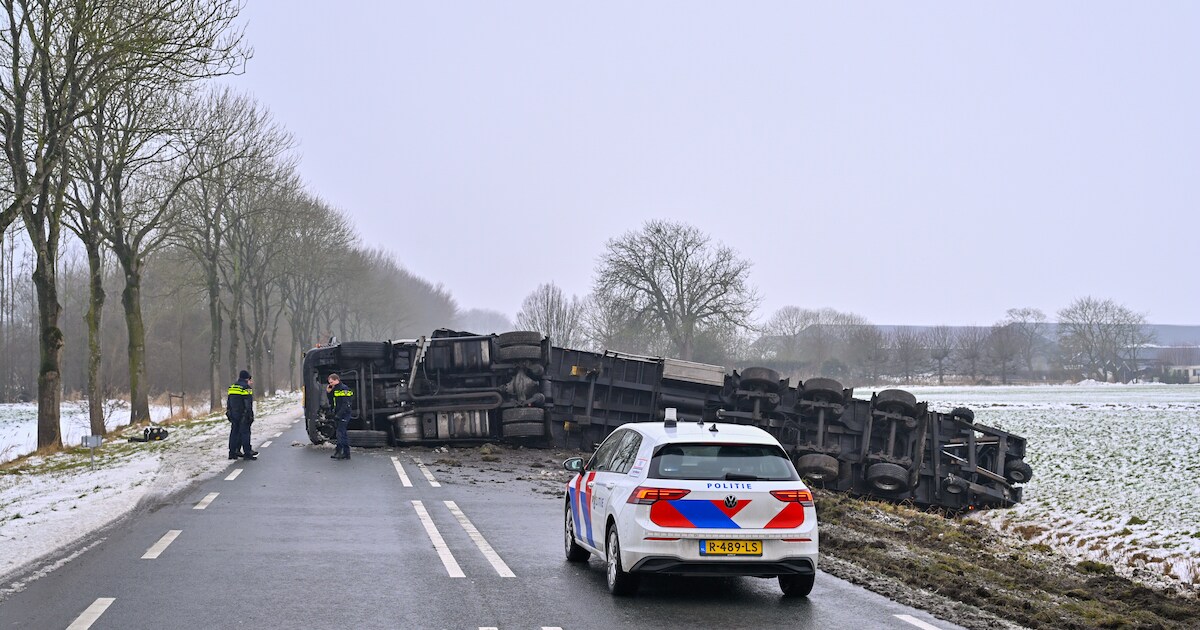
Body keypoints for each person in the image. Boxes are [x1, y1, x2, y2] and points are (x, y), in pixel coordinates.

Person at [227, 370, 257, 460]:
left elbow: (229, 402)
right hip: (243, 414)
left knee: (234, 433)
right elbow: (248, 402)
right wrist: (250, 415)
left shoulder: (232, 387)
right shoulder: (246, 388)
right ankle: (247, 453)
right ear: (247, 378)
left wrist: (229, 412)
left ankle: (232, 453)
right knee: (245, 433)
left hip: (233, 414)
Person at [326, 373, 353, 460]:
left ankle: (340, 451)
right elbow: (332, 401)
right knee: (342, 433)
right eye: (329, 382)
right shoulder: (335, 389)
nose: (330, 384)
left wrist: (339, 414)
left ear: (337, 380)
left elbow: (346, 404)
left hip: (344, 414)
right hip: (338, 413)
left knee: (340, 433)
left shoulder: (344, 388)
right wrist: (329, 393)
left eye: (331, 382)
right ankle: (345, 453)